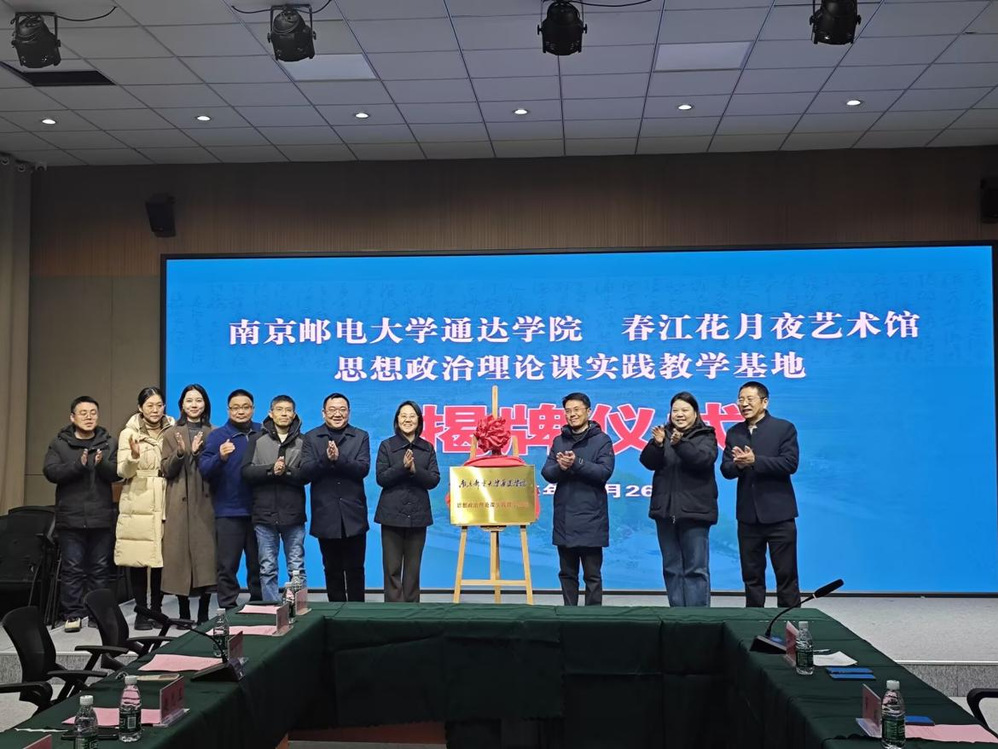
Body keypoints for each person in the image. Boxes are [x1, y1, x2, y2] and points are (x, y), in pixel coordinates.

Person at [720, 381, 801, 608]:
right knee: (751, 576)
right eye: (740, 399)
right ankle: (753, 620)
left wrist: (756, 461)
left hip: (780, 515)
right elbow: (726, 469)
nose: (744, 404)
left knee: (786, 575)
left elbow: (790, 464)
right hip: (748, 517)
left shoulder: (784, 428)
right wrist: (739, 465)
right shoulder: (734, 432)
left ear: (764, 402)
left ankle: (789, 622)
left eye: (749, 399)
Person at [43, 396, 119, 633]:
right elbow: (50, 471)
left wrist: (101, 464)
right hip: (71, 517)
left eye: (93, 412)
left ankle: (99, 613)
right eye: (83, 413)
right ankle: (73, 613)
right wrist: (78, 465)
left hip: (101, 515)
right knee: (72, 568)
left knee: (100, 568)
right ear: (72, 417)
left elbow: (118, 473)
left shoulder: (108, 442)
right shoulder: (59, 443)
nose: (89, 417)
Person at [639, 391, 718, 607]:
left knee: (696, 569)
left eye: (685, 410)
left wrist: (680, 443)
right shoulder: (663, 435)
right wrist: (657, 444)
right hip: (665, 512)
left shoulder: (706, 435)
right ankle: (677, 615)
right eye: (675, 410)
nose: (679, 414)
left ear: (695, 413)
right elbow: (647, 462)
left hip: (695, 512)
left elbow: (702, 460)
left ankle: (698, 618)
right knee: (671, 567)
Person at [541, 392, 615, 606]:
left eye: (576, 410)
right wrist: (561, 467)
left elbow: (604, 472)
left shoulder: (602, 440)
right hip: (564, 518)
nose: (572, 414)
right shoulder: (559, 440)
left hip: (592, 518)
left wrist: (577, 463)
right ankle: (568, 615)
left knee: (592, 576)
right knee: (567, 574)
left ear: (588, 411)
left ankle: (593, 618)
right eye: (568, 411)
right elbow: (547, 473)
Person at [300, 393, 370, 602]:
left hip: (353, 514)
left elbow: (362, 469)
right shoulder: (311, 437)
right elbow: (306, 472)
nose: (337, 414)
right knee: (331, 569)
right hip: (326, 513)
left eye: (342, 409)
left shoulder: (360, 436)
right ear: (324, 413)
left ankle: (356, 612)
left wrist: (339, 459)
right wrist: (326, 458)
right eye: (332, 410)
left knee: (356, 568)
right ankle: (336, 612)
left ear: (349, 412)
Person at [116, 387, 175, 630]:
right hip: (138, 496)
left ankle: (157, 609)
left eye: (159, 405)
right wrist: (133, 456)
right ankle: (141, 611)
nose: (155, 410)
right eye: (150, 405)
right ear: (140, 407)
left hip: (165, 496)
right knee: (138, 558)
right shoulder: (128, 433)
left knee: (161, 558)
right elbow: (122, 471)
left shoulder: (173, 430)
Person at [199, 389, 262, 608]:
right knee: (227, 565)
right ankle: (227, 607)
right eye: (235, 408)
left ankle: (260, 604)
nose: (240, 412)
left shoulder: (263, 432)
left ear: (253, 409)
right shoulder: (217, 436)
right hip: (228, 511)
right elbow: (204, 469)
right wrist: (220, 457)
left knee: (259, 564)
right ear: (228, 410)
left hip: (259, 511)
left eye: (245, 407)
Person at [242, 395, 307, 602]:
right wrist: (271, 470)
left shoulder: (303, 441)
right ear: (271, 413)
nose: (284, 414)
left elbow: (307, 475)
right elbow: (246, 472)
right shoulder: (257, 439)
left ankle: (298, 609)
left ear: (294, 414)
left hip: (293, 514)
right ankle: (271, 610)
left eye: (288, 410)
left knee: (296, 568)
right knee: (267, 568)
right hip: (264, 514)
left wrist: (286, 471)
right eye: (279, 409)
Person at [374, 401, 440, 603]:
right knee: (392, 567)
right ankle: (393, 609)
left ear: (419, 420)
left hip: (418, 516)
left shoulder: (427, 448)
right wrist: (402, 468)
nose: (407, 420)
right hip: (391, 515)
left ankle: (412, 608)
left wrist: (414, 470)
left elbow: (434, 480)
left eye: (412, 416)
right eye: (403, 415)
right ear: (397, 420)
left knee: (413, 568)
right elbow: (381, 478)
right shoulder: (387, 446)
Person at [161, 384, 216, 624]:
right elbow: (166, 469)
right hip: (179, 503)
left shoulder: (214, 433)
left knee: (206, 558)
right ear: (182, 405)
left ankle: (204, 612)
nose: (194, 405)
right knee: (179, 559)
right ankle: (183, 613)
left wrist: (198, 454)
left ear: (205, 404)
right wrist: (182, 453)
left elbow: (215, 468)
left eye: (198, 400)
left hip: (206, 501)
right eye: (189, 400)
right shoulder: (171, 434)